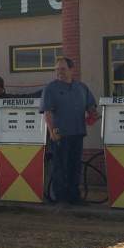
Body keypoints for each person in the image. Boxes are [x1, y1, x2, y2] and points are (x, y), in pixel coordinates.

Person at [41, 57, 97, 205]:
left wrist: (93, 114)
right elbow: (47, 112)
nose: (59, 72)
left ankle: (74, 196)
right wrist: (52, 131)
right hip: (60, 134)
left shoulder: (81, 87)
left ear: (72, 70)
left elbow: (90, 106)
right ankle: (61, 198)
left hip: (77, 133)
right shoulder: (50, 88)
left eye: (63, 69)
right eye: (57, 69)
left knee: (75, 166)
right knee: (60, 166)